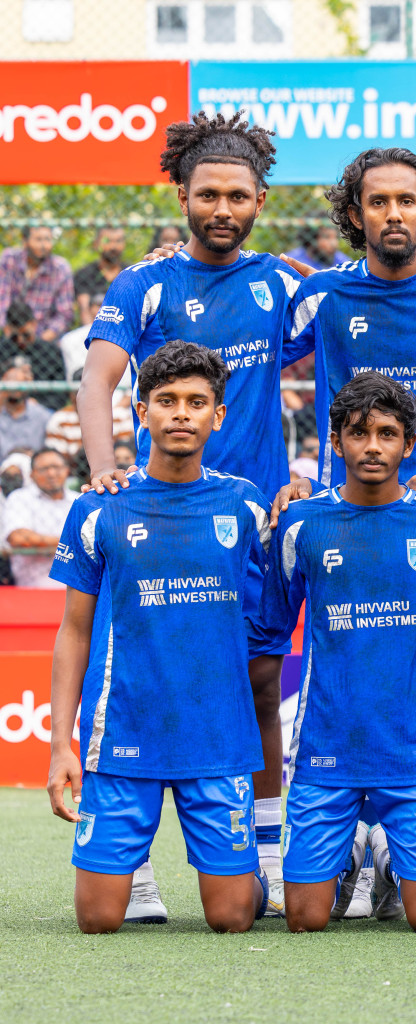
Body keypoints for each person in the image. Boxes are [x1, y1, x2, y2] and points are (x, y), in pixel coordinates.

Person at [75, 111, 300, 922]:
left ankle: (264, 855)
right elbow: (97, 381)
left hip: (250, 522)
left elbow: (354, 326)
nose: (222, 209)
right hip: (159, 519)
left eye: (238, 196)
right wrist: (103, 469)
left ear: (260, 201)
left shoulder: (283, 282)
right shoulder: (145, 284)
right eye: (208, 194)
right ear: (182, 196)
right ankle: (132, 868)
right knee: (139, 670)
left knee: (262, 681)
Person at [284, 146, 416, 916]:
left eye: (407, 200)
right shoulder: (322, 296)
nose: (394, 214)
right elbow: (238, 352)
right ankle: (346, 845)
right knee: (346, 682)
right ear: (355, 214)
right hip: (345, 528)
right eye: (377, 202)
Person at [45, 341, 272, 934]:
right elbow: (73, 632)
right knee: (98, 920)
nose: (181, 413)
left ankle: (268, 876)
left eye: (196, 402)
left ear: (218, 415)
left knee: (232, 918)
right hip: (123, 733)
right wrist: (61, 745)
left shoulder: (244, 504)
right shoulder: (100, 507)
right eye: (167, 400)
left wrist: (300, 493)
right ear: (142, 411)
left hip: (216, 736)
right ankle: (135, 866)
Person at [264, 372, 416, 933]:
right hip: (325, 749)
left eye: (387, 434)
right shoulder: (301, 523)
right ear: (335, 442)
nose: (373, 446)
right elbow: (269, 623)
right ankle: (357, 845)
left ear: (409, 444)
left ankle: (383, 852)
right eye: (358, 433)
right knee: (305, 919)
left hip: (413, 752)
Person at [2, 447, 77, 588]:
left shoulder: (78, 500)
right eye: (44, 469)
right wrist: (72, 544)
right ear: (32, 474)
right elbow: (18, 537)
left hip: (75, 584)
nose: (51, 473)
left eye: (56, 467)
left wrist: (48, 543)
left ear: (67, 470)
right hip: (33, 585)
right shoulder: (20, 498)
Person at [0, 226, 74, 345]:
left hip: (44, 337)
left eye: (47, 239)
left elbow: (64, 314)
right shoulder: (9, 260)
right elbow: (2, 301)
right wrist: (12, 334)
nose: (44, 245)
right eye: (38, 239)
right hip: (11, 333)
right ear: (25, 241)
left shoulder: (60, 268)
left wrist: (41, 341)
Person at [2, 299, 68, 410]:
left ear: (34, 325)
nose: (20, 340)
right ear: (7, 330)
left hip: (43, 409)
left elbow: (61, 395)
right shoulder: (3, 349)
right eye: (14, 337)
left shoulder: (50, 351)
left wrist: (38, 405)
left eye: (26, 335)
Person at [74, 228, 127, 327]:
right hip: (92, 328)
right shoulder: (84, 274)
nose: (113, 246)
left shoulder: (131, 273)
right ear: (96, 244)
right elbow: (84, 310)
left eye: (118, 241)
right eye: (107, 241)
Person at [1, 365, 53, 455]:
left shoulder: (42, 416)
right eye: (11, 380)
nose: (14, 387)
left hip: (31, 461)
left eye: (20, 382)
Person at [282, 224, 346, 272]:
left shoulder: (343, 261)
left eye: (336, 237)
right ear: (312, 238)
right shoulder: (291, 260)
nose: (334, 243)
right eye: (326, 237)